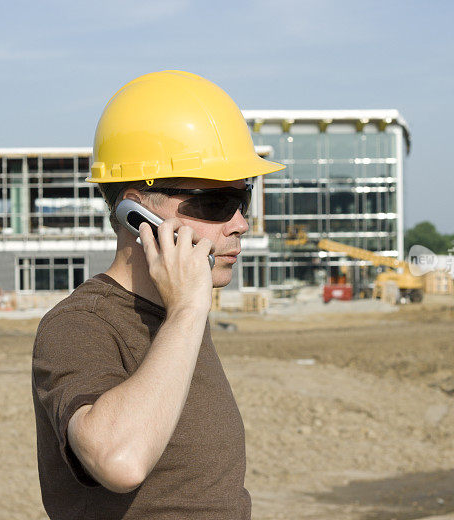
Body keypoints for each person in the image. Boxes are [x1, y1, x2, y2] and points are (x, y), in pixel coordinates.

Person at [31, 70, 284, 519]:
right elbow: (118, 460)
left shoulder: (174, 318)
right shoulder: (80, 324)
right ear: (139, 213)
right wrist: (187, 311)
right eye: (215, 203)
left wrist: (184, 313)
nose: (241, 223)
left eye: (243, 198)